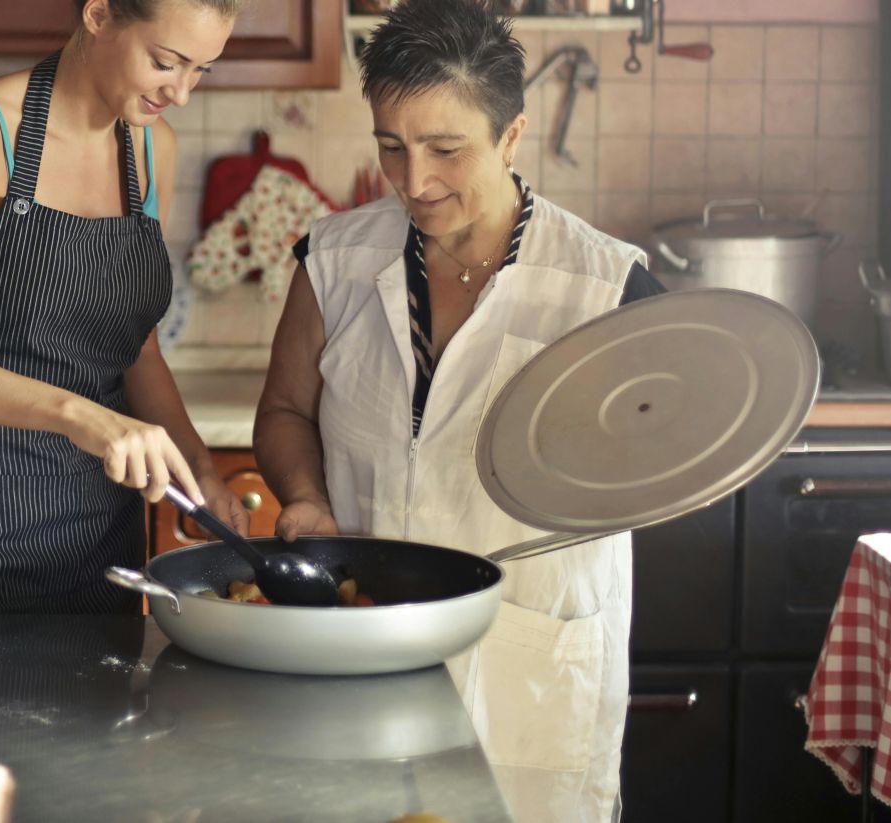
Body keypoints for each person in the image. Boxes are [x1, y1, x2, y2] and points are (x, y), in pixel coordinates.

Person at [253, 1, 665, 819]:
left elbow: (661, 465)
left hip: (530, 663)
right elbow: (287, 410)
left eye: (447, 149)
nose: (415, 181)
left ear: (512, 137)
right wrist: (305, 496)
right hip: (365, 651)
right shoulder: (333, 260)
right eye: (391, 148)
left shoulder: (607, 287)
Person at [0, 0, 248, 614]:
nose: (180, 93)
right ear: (99, 15)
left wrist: (199, 469)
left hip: (104, 543)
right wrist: (83, 418)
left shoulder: (155, 150)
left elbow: (137, 349)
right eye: (165, 62)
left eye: (201, 71)